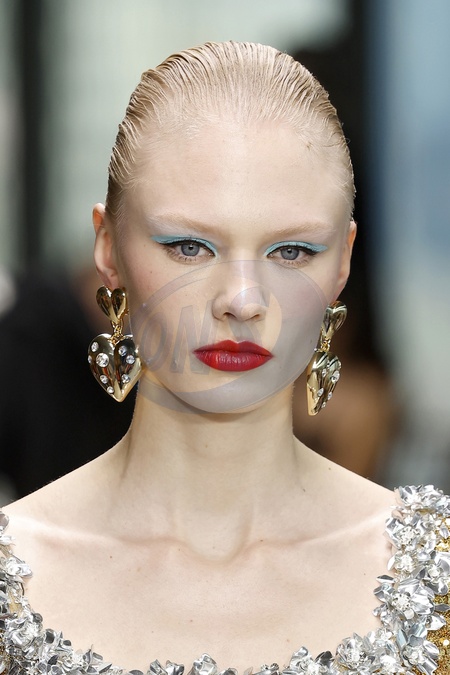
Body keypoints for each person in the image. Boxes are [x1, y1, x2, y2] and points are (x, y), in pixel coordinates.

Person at [1, 42, 448, 675]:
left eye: (291, 252)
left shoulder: (436, 578)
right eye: (189, 246)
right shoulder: (12, 579)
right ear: (108, 247)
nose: (242, 301)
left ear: (344, 262)